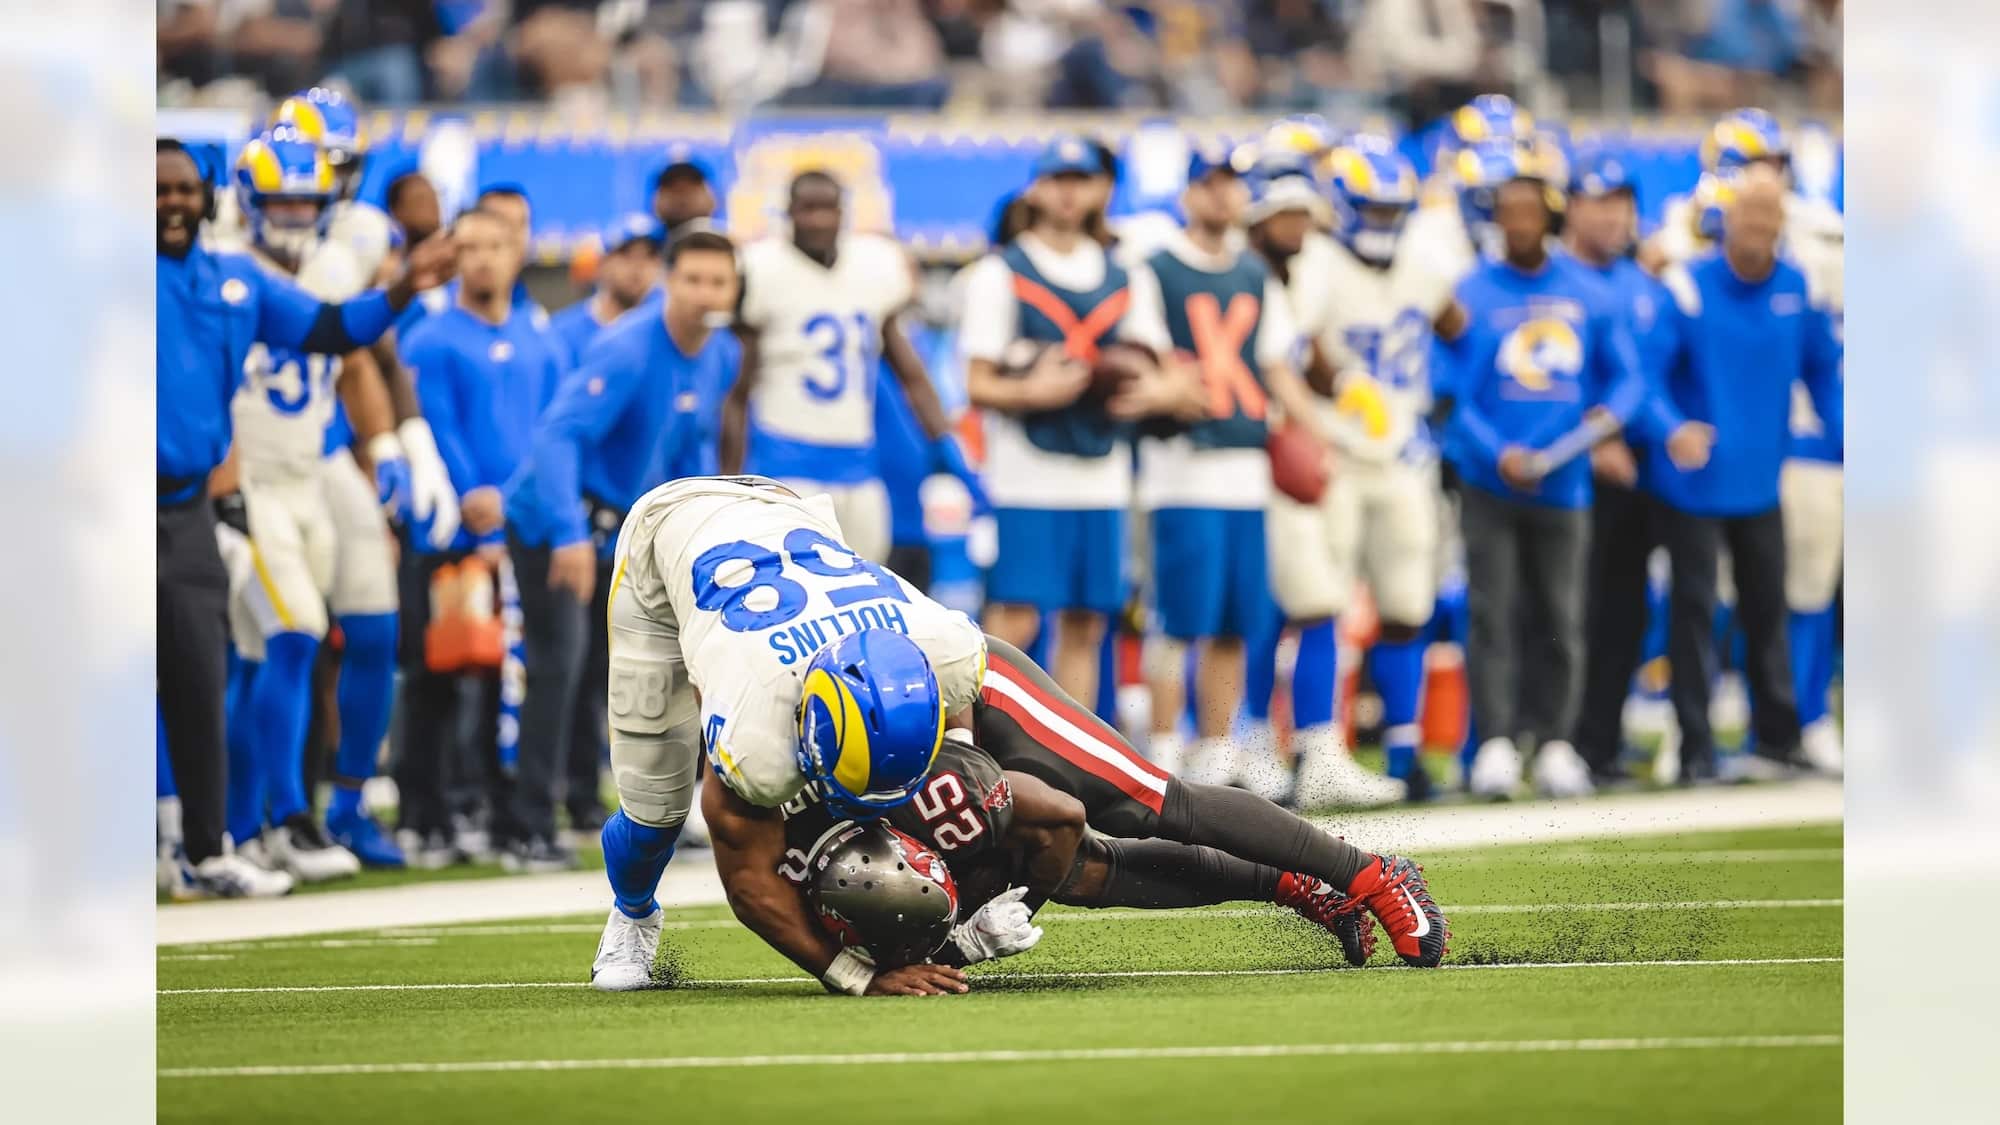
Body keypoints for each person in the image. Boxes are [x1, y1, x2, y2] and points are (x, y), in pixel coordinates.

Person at [709, 632, 1451, 994]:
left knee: (1145, 803)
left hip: (960, 701)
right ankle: (1298, 886)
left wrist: (965, 753)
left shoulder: (768, 760)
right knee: (1089, 875)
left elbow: (1060, 814)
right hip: (900, 780)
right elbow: (749, 889)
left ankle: (1372, 872)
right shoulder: (764, 823)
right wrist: (871, 971)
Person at [157, 136, 454, 897]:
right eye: (278, 199)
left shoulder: (240, 278)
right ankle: (257, 819)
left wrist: (402, 292)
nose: (171, 203)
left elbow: (339, 334)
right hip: (230, 477)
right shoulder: (166, 267)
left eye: (183, 188)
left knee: (249, 653)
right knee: (272, 640)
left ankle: (262, 824)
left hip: (269, 478)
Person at [586, 476, 989, 994]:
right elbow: (750, 884)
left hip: (783, 507)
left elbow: (956, 691)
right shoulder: (755, 723)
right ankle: (633, 915)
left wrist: (958, 761)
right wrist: (855, 976)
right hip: (666, 535)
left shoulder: (947, 650)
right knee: (655, 810)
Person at [1440, 147, 1711, 800]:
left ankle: (1557, 741)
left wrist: (1599, 427)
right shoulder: (1469, 292)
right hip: (1491, 481)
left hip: (1565, 483)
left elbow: (1627, 380)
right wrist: (1494, 450)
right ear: (1496, 218)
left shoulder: (1586, 291)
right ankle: (1498, 742)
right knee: (1492, 614)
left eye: (1533, 209)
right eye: (1512, 210)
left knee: (1565, 615)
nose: (1523, 220)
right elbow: (1450, 393)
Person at [507, 230, 743, 849]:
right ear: (669, 281)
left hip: (627, 525)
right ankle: (528, 824)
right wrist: (567, 535)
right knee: (559, 664)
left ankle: (588, 807)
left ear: (735, 290)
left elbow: (694, 446)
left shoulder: (721, 353)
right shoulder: (630, 349)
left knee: (612, 670)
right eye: (691, 280)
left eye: (717, 282)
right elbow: (557, 436)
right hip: (554, 516)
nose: (704, 294)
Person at [960, 136, 1196, 712]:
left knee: (1088, 621)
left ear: (1099, 189)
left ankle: (1072, 756)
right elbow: (976, 381)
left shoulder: (1124, 275)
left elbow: (1167, 370)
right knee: (1012, 617)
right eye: (1058, 179)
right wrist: (1031, 390)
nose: (1069, 193)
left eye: (1080, 180)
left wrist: (1150, 393)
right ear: (1037, 188)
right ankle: (984, 741)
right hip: (1027, 469)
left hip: (1102, 465)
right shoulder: (1001, 272)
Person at [1124, 149, 1328, 797]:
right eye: (1209, 185)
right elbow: (1145, 360)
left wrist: (1319, 433)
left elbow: (1275, 366)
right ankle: (1160, 747)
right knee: (1178, 618)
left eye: (1230, 186)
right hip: (1182, 465)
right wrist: (1172, 391)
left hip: (1244, 464)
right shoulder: (1153, 269)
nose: (1222, 197)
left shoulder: (1252, 273)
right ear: (1187, 194)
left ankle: (1217, 745)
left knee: (1238, 620)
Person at [1273, 138, 1471, 805]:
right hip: (1333, 452)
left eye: (1394, 210)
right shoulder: (1318, 264)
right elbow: (1294, 350)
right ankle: (1316, 748)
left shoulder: (1423, 261)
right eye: (1372, 208)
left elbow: (1462, 330)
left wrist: (1437, 404)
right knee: (1321, 602)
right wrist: (1343, 381)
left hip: (1401, 456)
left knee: (1408, 606)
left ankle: (1406, 752)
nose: (1384, 222)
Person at [1642, 166, 1842, 782]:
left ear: (1783, 224)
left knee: (1768, 611)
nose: (1759, 228)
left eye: (1770, 217)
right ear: (1725, 220)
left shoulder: (1797, 287)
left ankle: (1777, 738)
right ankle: (1693, 744)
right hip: (1695, 486)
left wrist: (1846, 432)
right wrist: (1671, 427)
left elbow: (1824, 369)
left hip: (1761, 479)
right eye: (1749, 216)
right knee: (1696, 613)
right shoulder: (1686, 287)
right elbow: (1643, 376)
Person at [396, 205, 567, 869]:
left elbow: (551, 427)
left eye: (495, 246)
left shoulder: (539, 337)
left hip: (521, 529)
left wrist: (518, 500)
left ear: (516, 252)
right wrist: (470, 493)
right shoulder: (433, 338)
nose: (484, 259)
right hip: (449, 530)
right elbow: (432, 420)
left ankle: (510, 812)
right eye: (469, 248)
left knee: (514, 677)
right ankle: (429, 810)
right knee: (440, 673)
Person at [720, 170, 981, 566]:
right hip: (787, 459)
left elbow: (909, 372)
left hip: (859, 464)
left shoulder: (873, 267)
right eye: (808, 208)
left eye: (828, 208)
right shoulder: (762, 270)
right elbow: (737, 389)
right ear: (788, 213)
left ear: (844, 213)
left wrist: (945, 439)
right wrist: (731, 479)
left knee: (864, 580)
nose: (819, 220)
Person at [1563, 150, 1686, 785]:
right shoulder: (1555, 276)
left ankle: (1600, 743)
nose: (1614, 216)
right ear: (1573, 206)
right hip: (1573, 466)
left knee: (1626, 611)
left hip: (1643, 466)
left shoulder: (1644, 283)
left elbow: (1658, 374)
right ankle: (1560, 741)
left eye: (1623, 204)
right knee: (1566, 612)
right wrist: (1592, 437)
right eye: (1600, 202)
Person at [548, 214, 663, 366]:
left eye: (649, 256)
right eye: (626, 254)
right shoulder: (562, 334)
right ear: (604, 263)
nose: (638, 266)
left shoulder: (666, 332)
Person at [651, 157, 716, 240]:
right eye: (674, 190)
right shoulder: (645, 250)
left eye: (690, 190)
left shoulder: (730, 248)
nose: (682, 199)